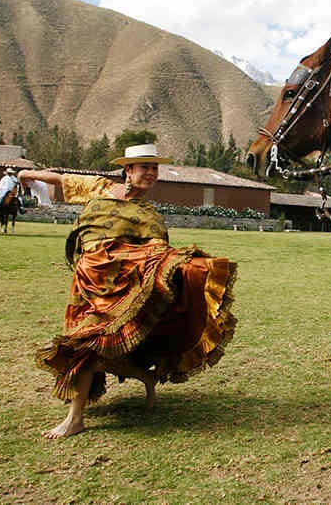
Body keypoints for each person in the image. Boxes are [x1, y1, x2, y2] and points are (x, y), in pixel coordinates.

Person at [19, 144, 237, 439]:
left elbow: (157, 255)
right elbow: (60, 178)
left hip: (116, 289)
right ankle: (144, 378)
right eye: (144, 167)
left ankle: (75, 419)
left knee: (86, 344)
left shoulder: (149, 216)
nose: (150, 173)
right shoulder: (99, 187)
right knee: (85, 347)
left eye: (154, 168)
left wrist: (192, 269)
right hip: (86, 282)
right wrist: (27, 173)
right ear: (128, 171)